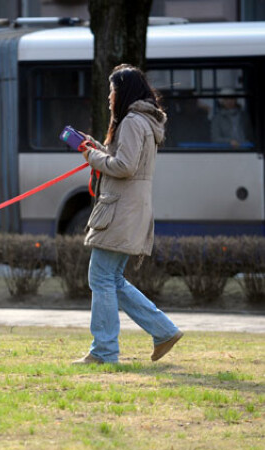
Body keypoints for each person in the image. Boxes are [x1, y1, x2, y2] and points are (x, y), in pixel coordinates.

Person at [73, 64, 183, 365]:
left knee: (101, 277)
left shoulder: (133, 121)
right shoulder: (141, 120)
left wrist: (90, 155)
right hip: (129, 207)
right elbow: (123, 160)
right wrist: (95, 147)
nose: (109, 97)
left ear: (123, 92)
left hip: (121, 209)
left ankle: (104, 351)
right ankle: (164, 331)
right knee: (112, 279)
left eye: (112, 91)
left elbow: (124, 167)